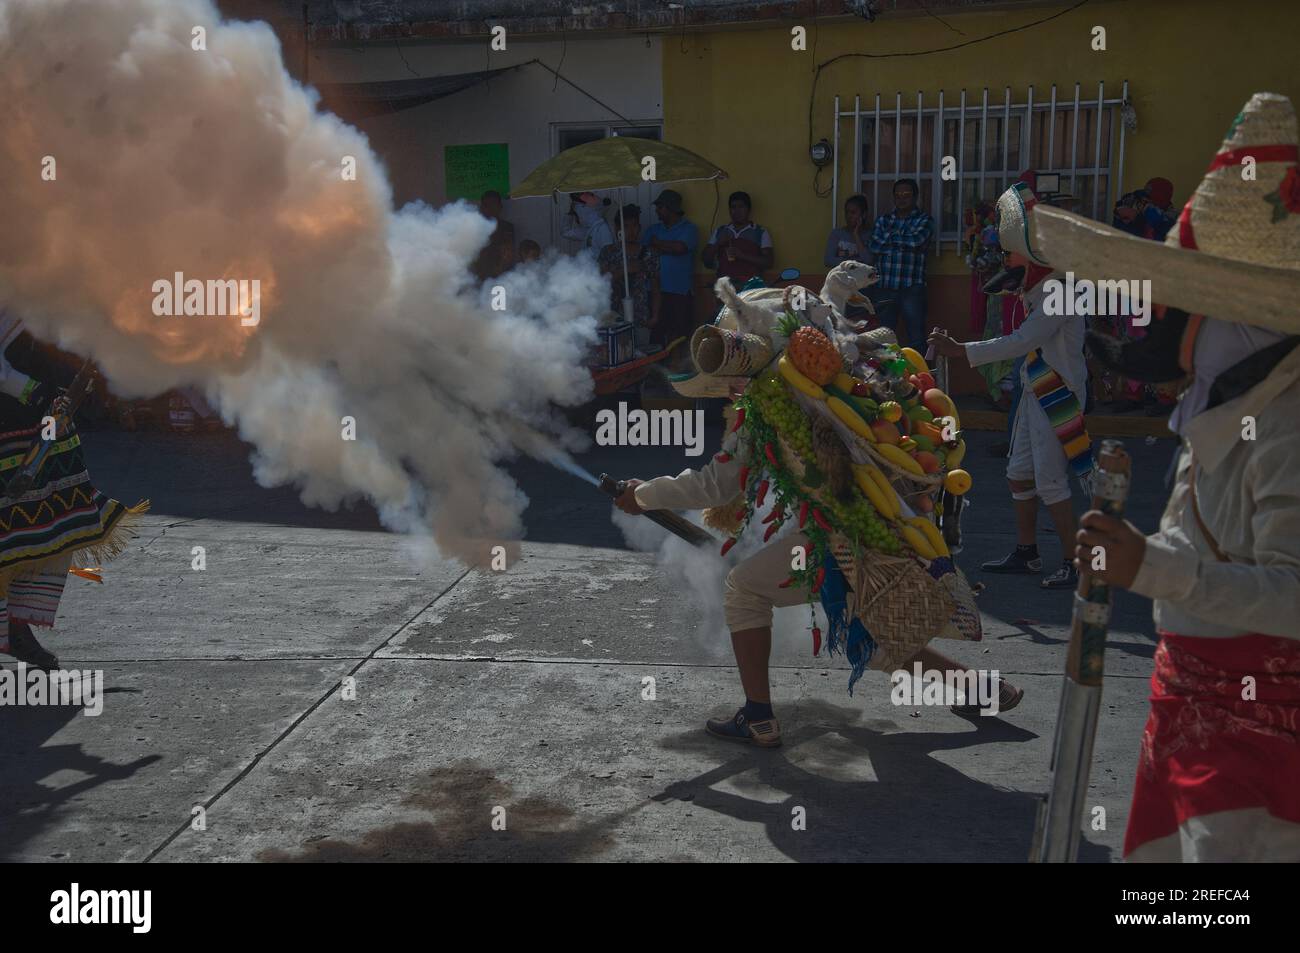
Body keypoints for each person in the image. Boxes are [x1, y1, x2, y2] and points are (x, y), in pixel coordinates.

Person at [1036, 91, 1300, 863]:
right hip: (1190, 711)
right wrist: (1135, 557)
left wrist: (1146, 565)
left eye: (1189, 309)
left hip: (1262, 744)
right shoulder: (1224, 405)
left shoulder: (1286, 425)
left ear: (1240, 323)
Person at [615, 309, 1014, 747]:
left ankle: (758, 718)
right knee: (874, 634)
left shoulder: (770, 401)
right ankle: (985, 690)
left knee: (744, 590)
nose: (727, 391)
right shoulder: (831, 385)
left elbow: (717, 483)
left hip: (850, 536)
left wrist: (642, 495)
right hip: (896, 523)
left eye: (727, 379)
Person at [929, 181, 1089, 589]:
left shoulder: (1059, 290)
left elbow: (1023, 341)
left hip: (1058, 394)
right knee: (1019, 474)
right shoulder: (1040, 287)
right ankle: (1027, 552)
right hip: (1036, 390)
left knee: (1051, 482)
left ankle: (1074, 562)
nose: (1005, 259)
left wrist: (959, 350)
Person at [0, 310, 147, 671]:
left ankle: (17, 627)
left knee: (50, 529)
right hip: (12, 418)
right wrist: (33, 392)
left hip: (44, 422)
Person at [867, 178, 934, 348]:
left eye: (906, 194)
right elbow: (874, 246)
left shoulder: (925, 219)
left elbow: (916, 241)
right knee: (883, 336)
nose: (901, 198)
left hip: (911, 287)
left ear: (915, 196)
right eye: (898, 195)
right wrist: (902, 240)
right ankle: (886, 375)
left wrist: (889, 239)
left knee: (916, 337)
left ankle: (920, 374)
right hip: (884, 286)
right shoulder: (883, 220)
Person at [642, 189, 699, 351]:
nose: (656, 211)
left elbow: (680, 248)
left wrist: (658, 243)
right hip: (655, 291)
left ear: (670, 208)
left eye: (660, 208)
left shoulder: (689, 229)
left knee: (680, 335)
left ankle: (680, 371)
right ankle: (656, 371)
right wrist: (666, 246)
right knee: (656, 335)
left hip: (680, 291)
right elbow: (645, 251)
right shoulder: (653, 229)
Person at [597, 204, 660, 334]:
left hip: (640, 318)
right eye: (626, 226)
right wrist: (624, 270)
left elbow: (656, 288)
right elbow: (599, 283)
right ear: (617, 229)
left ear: (640, 227)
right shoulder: (608, 252)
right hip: (611, 320)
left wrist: (655, 317)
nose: (631, 231)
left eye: (635, 226)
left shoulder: (648, 253)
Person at [703, 191, 773, 288]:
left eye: (741, 207)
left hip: (750, 288)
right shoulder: (720, 231)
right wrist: (718, 244)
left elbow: (768, 262)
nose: (737, 211)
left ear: (748, 209)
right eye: (733, 207)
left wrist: (742, 255)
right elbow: (706, 261)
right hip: (725, 289)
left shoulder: (760, 232)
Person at [471, 190, 516, 280]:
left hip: (501, 278)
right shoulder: (474, 228)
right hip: (478, 278)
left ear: (500, 207)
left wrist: (498, 271)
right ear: (482, 207)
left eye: (493, 205)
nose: (490, 209)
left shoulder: (506, 228)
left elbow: (507, 254)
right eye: (486, 205)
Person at [561, 191, 615, 260]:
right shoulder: (586, 231)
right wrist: (571, 213)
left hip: (601, 267)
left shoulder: (603, 226)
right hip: (590, 267)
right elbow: (565, 232)